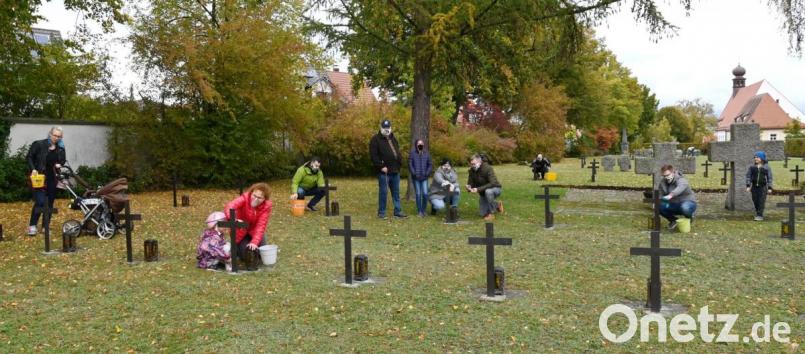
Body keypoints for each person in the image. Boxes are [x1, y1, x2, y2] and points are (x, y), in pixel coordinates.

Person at [25, 126, 66, 236]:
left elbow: (62, 161)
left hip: (53, 178)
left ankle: (45, 226)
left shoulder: (60, 148)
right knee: (40, 202)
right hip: (39, 177)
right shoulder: (39, 144)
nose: (56, 138)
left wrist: (60, 163)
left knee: (50, 203)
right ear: (50, 134)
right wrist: (33, 169)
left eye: (59, 136)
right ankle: (32, 226)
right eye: (54, 135)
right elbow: (29, 157)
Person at [224, 183, 273, 268]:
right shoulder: (244, 198)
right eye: (254, 195)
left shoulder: (266, 206)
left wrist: (254, 242)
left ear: (265, 199)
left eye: (259, 198)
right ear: (251, 192)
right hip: (240, 231)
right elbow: (230, 206)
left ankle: (245, 247)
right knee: (245, 255)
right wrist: (233, 219)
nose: (255, 199)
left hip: (254, 231)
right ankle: (237, 249)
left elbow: (261, 225)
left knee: (262, 252)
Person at [369, 119, 407, 219]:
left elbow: (397, 152)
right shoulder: (375, 139)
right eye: (385, 128)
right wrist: (381, 167)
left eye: (388, 128)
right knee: (383, 192)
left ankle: (398, 211)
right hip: (384, 172)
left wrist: (399, 164)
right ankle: (381, 212)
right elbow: (374, 156)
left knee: (396, 193)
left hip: (395, 171)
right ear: (381, 128)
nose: (387, 130)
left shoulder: (393, 138)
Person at [658, 165, 697, 230]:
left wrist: (670, 195)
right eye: (664, 176)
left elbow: (680, 188)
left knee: (685, 207)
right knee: (659, 207)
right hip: (674, 204)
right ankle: (673, 220)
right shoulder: (662, 183)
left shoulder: (681, 180)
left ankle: (690, 217)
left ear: (673, 172)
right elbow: (660, 195)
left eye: (667, 175)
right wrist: (661, 202)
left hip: (688, 202)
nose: (666, 177)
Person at [466, 153, 503, 221]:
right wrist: (469, 187)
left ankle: (492, 214)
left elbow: (493, 183)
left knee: (488, 192)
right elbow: (470, 182)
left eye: (474, 164)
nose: (472, 166)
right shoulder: (471, 170)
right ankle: (497, 205)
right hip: (482, 192)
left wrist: (478, 189)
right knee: (482, 213)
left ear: (479, 162)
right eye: (471, 164)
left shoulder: (488, 168)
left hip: (495, 189)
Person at [746, 151, 773, 221]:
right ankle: (758, 212)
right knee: (755, 200)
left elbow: (770, 178)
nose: (756, 159)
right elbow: (748, 176)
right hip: (754, 187)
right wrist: (748, 186)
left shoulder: (766, 167)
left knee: (761, 201)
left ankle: (759, 215)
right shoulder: (752, 167)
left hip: (763, 187)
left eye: (757, 157)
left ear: (762, 158)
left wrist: (769, 187)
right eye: (755, 157)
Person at [408, 139, 433, 217]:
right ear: (416, 145)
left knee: (425, 194)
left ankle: (423, 210)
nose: (420, 145)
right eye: (419, 143)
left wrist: (427, 172)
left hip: (424, 177)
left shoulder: (426, 153)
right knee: (418, 194)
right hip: (416, 177)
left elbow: (430, 164)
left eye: (421, 143)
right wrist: (414, 173)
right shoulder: (412, 153)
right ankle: (419, 211)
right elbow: (410, 163)